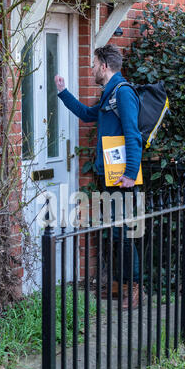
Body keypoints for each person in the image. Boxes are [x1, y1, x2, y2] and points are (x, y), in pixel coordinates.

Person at [54, 44, 143, 309]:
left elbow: (133, 135)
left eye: (93, 64)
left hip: (122, 179)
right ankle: (121, 285)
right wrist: (63, 92)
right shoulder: (109, 94)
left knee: (126, 233)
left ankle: (135, 289)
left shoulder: (123, 93)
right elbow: (86, 115)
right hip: (109, 175)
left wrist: (129, 174)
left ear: (104, 66)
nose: (91, 69)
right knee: (116, 234)